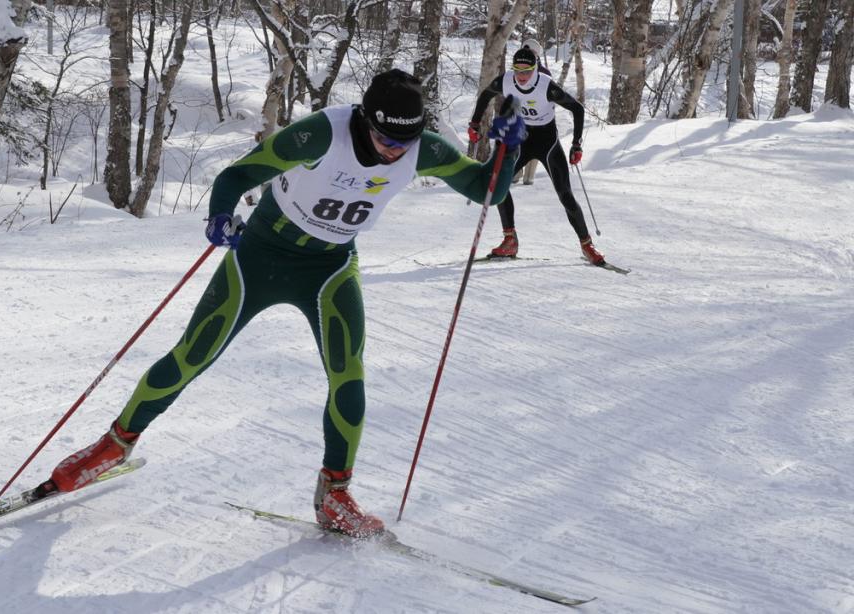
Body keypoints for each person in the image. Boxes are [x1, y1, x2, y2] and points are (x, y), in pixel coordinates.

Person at [35, 69, 525, 538]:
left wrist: (509, 146)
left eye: (405, 143)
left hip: (330, 267)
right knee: (192, 356)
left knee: (349, 376)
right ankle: (113, 446)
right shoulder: (321, 135)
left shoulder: (421, 149)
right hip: (262, 255)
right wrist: (220, 216)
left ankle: (335, 494)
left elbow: (486, 189)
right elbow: (237, 175)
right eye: (386, 140)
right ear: (365, 120)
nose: (396, 153)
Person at [467, 47, 604, 265]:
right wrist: (474, 123)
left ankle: (587, 244)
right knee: (500, 185)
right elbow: (485, 95)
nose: (521, 77)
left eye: (527, 71)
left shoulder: (546, 86)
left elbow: (577, 109)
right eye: (518, 71)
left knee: (565, 194)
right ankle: (510, 239)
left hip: (547, 142)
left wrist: (577, 144)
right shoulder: (507, 80)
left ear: (535, 69)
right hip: (522, 139)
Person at [515, 39, 549, 186]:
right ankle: (515, 173)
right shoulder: (516, 69)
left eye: (532, 52)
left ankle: (529, 176)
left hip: (538, 115)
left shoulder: (544, 73)